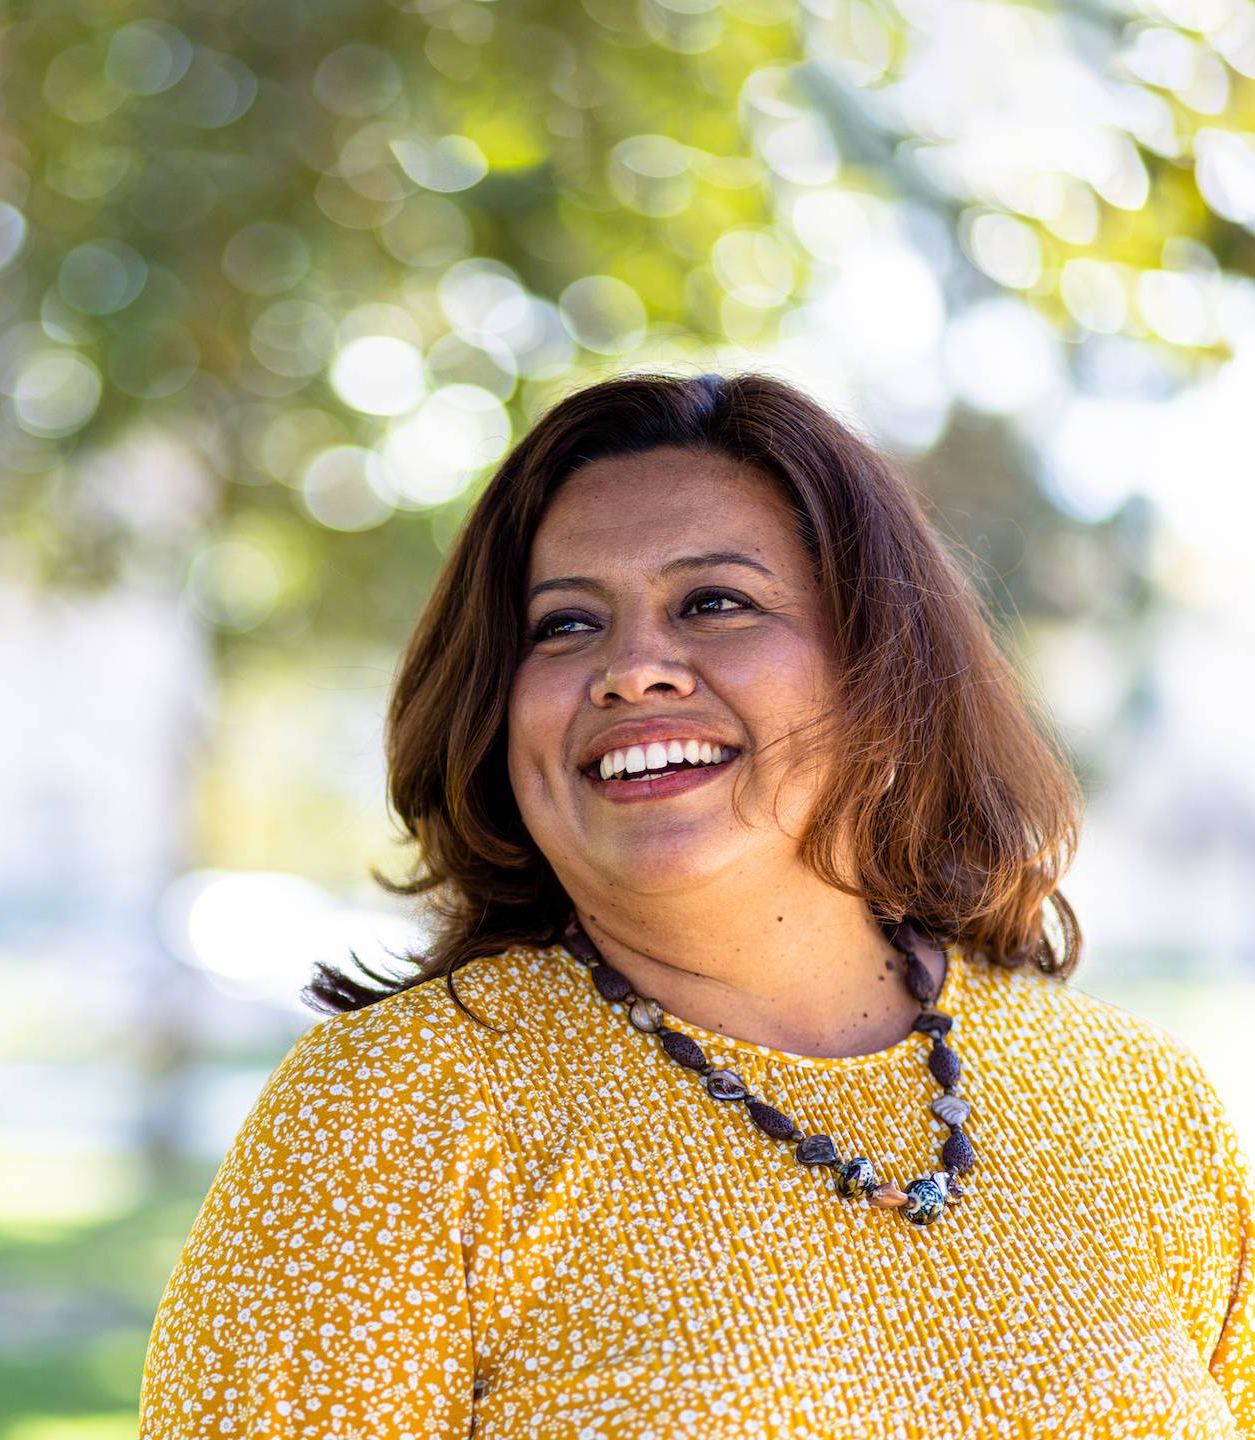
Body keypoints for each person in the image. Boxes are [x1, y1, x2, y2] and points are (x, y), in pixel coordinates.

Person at [137, 370, 1255, 1436]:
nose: (632, 669)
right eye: (565, 624)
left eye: (715, 602)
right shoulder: (391, 1121)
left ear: (883, 664)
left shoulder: (1145, 1106)